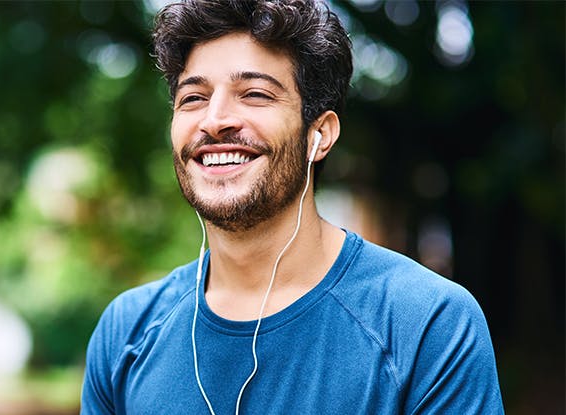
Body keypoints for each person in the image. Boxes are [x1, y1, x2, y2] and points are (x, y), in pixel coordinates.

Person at [80, 0, 504, 414]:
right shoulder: (126, 333)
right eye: (193, 98)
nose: (215, 120)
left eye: (255, 94)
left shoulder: (426, 323)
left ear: (319, 135)